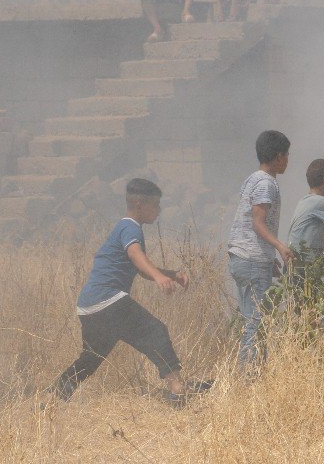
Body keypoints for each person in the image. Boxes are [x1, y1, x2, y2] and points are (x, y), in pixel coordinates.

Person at [52, 178, 210, 406]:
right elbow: (136, 255)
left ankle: (55, 396)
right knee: (156, 331)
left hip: (89, 307)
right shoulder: (129, 227)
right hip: (108, 301)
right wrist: (159, 277)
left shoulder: (124, 228)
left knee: (90, 358)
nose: (159, 210)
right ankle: (178, 389)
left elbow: (141, 269)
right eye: (155, 205)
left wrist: (171, 274)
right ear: (139, 204)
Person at [227, 130, 294, 370]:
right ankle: (251, 379)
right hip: (253, 260)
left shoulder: (253, 178)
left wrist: (270, 257)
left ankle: (245, 374)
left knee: (249, 322)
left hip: (243, 257)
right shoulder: (267, 183)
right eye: (286, 155)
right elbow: (257, 222)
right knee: (258, 324)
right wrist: (279, 247)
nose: (288, 160)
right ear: (278, 157)